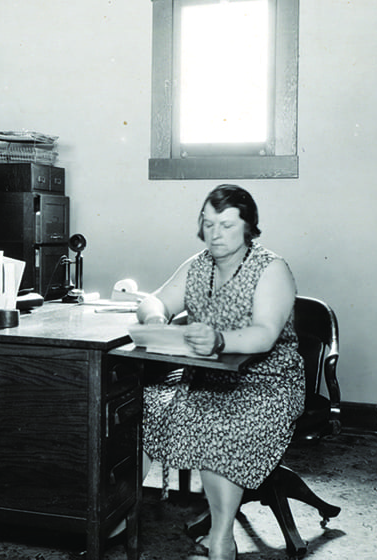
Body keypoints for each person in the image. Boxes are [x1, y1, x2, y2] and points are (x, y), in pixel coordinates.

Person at [135, 184, 304, 560]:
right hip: (208, 376)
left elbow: (264, 335)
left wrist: (219, 340)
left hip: (269, 381)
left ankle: (221, 536)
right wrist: (157, 318)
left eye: (227, 225)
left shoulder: (271, 268)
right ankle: (119, 512)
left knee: (220, 425)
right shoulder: (197, 266)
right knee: (143, 406)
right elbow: (153, 299)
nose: (215, 234)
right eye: (208, 224)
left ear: (248, 227)